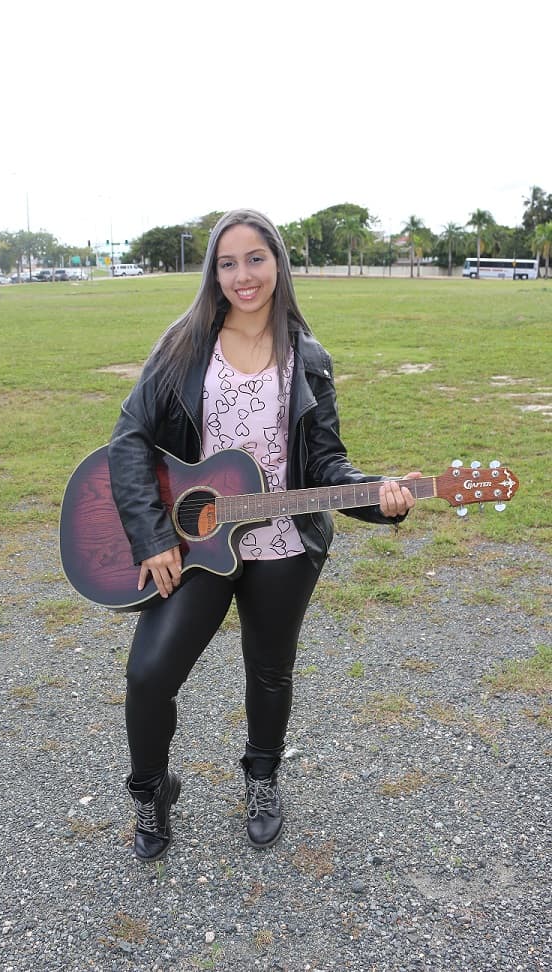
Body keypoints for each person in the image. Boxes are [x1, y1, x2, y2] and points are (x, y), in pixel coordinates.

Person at [108, 209, 420, 862]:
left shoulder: (308, 357)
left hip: (282, 543)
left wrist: (384, 499)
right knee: (148, 675)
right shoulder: (185, 343)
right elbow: (130, 439)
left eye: (256, 259)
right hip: (194, 543)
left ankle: (261, 779)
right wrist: (149, 537)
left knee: (270, 671)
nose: (243, 275)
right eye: (228, 262)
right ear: (212, 272)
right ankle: (151, 788)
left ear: (278, 263)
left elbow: (328, 466)